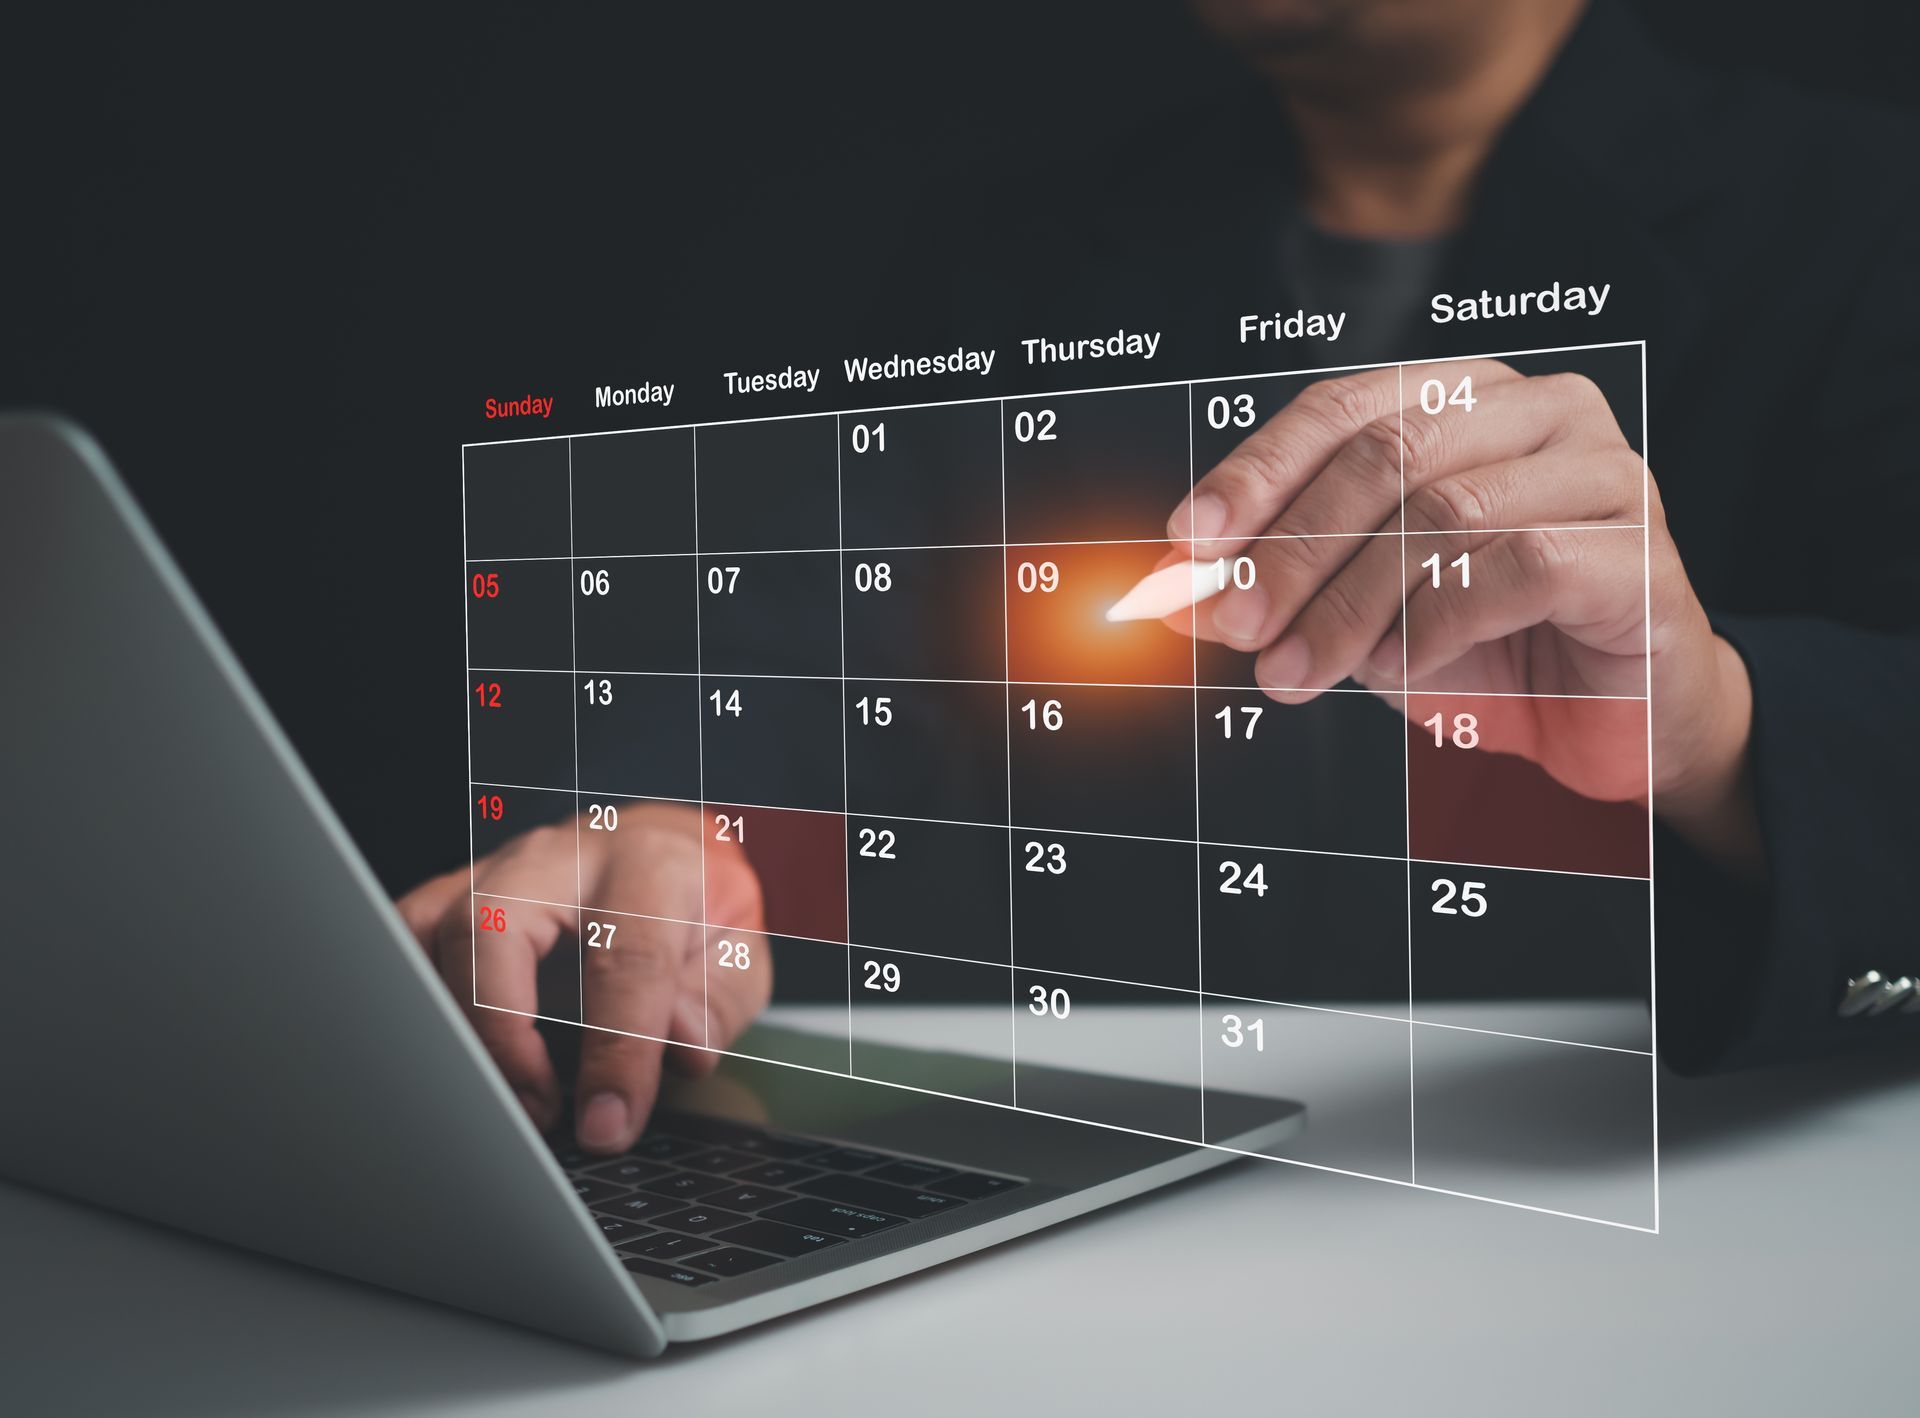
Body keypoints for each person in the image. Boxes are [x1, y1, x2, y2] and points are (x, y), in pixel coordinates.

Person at [400, 0, 1920, 1151]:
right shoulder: (1015, 264)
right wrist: (662, 833)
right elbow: (804, 643)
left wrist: (1717, 728)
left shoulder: (1861, 220)